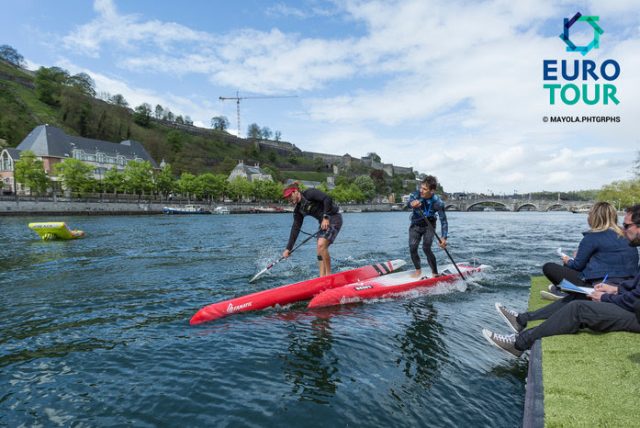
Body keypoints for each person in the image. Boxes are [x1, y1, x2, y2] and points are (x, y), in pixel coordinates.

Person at [482, 204, 640, 357]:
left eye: (626, 226)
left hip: (634, 313)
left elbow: (634, 300)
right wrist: (616, 290)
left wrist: (606, 297)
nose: (623, 231)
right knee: (580, 298)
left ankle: (518, 343)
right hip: (620, 292)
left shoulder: (593, 237)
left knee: (577, 305)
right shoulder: (626, 241)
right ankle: (523, 321)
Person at [541, 201, 638, 300]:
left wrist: (568, 261)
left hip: (601, 285)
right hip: (628, 284)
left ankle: (568, 293)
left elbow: (577, 266)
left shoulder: (592, 237)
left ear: (593, 217)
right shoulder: (627, 234)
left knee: (549, 267)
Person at [282, 183, 343, 277]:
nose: (289, 199)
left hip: (334, 218)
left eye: (290, 195)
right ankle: (322, 277)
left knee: (321, 244)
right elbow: (295, 228)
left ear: (296, 191)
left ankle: (329, 275)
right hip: (323, 223)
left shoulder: (309, 193)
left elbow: (327, 198)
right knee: (319, 249)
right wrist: (288, 248)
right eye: (287, 197)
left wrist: (325, 217)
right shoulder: (298, 211)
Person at [407, 175, 448, 278]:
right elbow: (408, 202)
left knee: (426, 247)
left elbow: (443, 221)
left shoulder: (438, 202)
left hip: (429, 226)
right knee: (412, 247)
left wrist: (443, 238)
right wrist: (412, 204)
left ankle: (435, 273)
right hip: (415, 225)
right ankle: (418, 271)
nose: (421, 190)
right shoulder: (416, 195)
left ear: (432, 190)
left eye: (424, 189)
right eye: (421, 187)